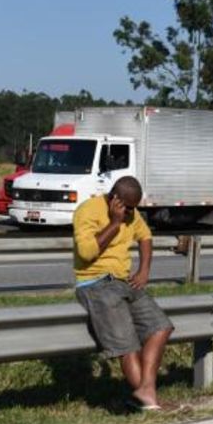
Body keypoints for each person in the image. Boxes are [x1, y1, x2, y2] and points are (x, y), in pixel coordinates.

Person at [73, 176, 174, 411]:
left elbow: (145, 236)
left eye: (134, 208)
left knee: (161, 326)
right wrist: (115, 223)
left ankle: (145, 390)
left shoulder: (131, 213)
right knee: (127, 345)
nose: (131, 213)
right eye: (127, 208)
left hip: (124, 282)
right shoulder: (88, 211)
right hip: (96, 284)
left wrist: (144, 270)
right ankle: (148, 399)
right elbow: (87, 252)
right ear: (115, 199)